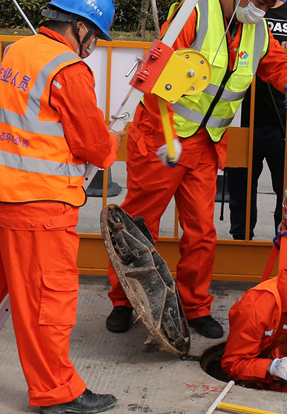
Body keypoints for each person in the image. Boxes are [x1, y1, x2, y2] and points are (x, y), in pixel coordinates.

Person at [105, 0, 287, 338]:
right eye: (260, 2)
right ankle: (124, 302)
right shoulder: (193, 13)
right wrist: (167, 135)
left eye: (270, 3)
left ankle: (195, 306)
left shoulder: (255, 30)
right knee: (138, 227)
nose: (265, 8)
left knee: (201, 232)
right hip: (162, 138)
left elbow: (276, 62)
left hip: (205, 145)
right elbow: (157, 72)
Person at [0, 0, 125, 412]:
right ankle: (57, 392)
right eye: (94, 38)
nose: (92, 48)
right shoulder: (68, 69)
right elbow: (92, 144)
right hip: (40, 207)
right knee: (47, 306)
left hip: (6, 195)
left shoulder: (16, 50)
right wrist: (112, 142)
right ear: (81, 27)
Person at [226, 0, 287, 240]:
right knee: (241, 185)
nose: (263, 9)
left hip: (283, 115)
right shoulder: (238, 11)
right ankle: (241, 240)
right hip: (241, 114)